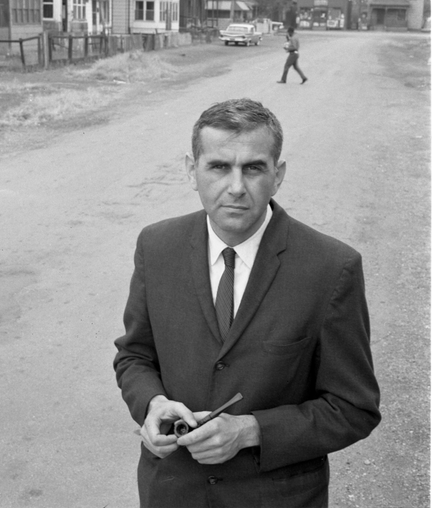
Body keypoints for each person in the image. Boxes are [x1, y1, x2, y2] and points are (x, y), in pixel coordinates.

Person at [113, 99, 380, 508]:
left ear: (278, 175)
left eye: (253, 168)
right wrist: (152, 404)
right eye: (218, 166)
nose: (236, 187)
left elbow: (353, 408)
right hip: (170, 492)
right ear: (191, 170)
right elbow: (134, 356)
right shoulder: (156, 246)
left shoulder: (331, 268)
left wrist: (251, 431)